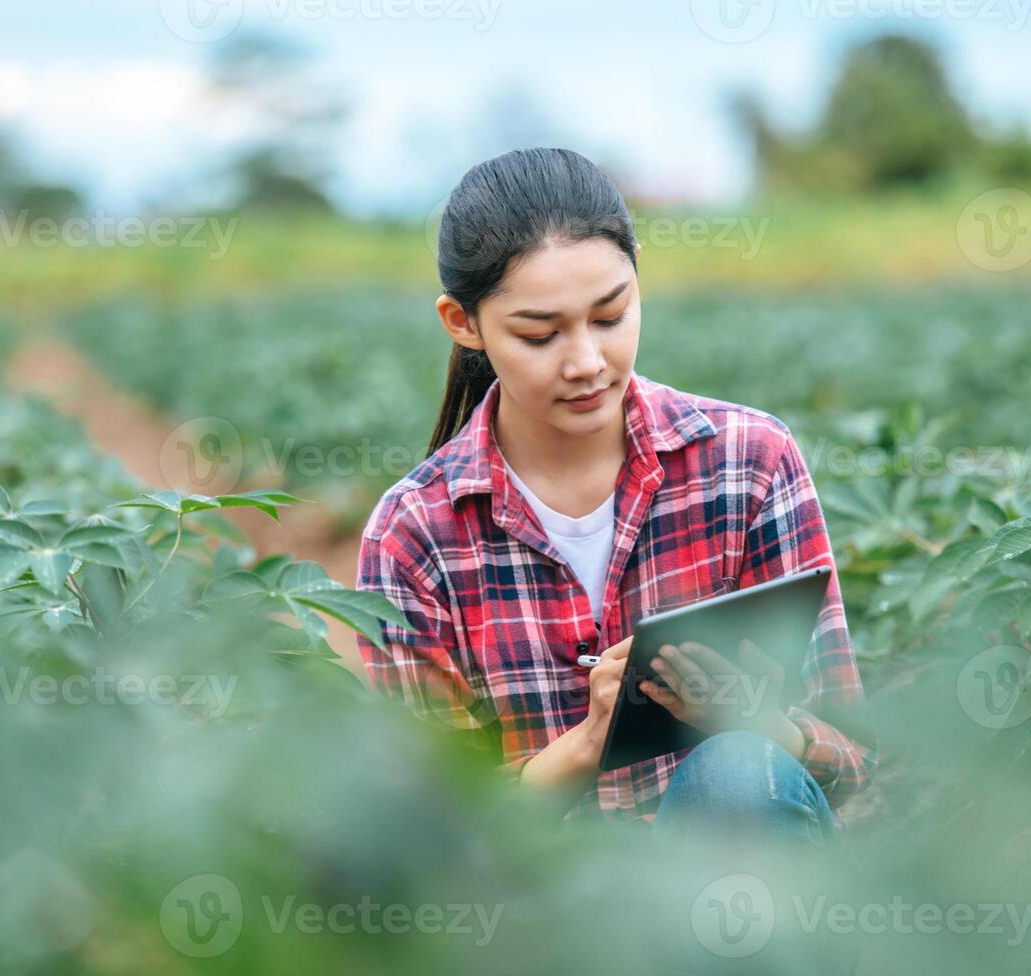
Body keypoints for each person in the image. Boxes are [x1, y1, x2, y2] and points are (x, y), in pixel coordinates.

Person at [355, 148, 877, 857]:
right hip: (551, 922)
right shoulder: (413, 534)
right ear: (462, 322)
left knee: (732, 773)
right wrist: (588, 745)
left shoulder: (747, 463)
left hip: (742, 909)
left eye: (609, 316)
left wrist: (752, 726)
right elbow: (434, 835)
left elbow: (849, 757)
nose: (585, 362)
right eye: (539, 334)